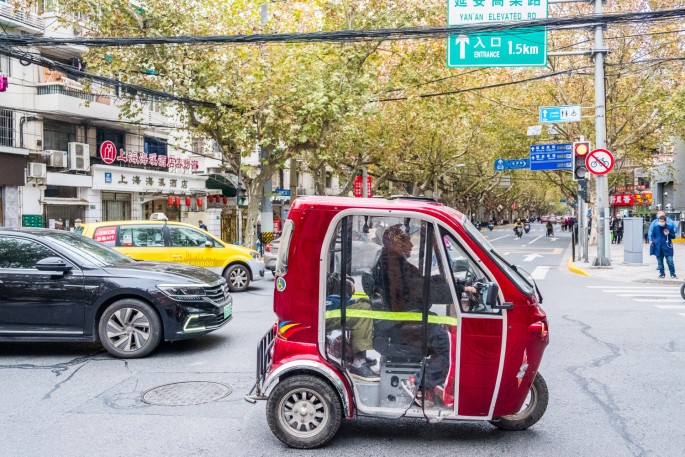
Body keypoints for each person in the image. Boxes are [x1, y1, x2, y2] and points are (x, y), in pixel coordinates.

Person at [373, 224, 476, 405]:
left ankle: (427, 385)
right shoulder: (395, 266)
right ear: (396, 244)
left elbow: (420, 283)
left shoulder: (392, 261)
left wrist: (451, 282)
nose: (411, 246)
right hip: (405, 323)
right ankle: (419, 382)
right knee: (446, 343)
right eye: (406, 241)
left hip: (405, 318)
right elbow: (423, 290)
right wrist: (459, 289)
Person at [325, 273, 379, 382]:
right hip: (320, 313)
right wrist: (345, 284)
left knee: (365, 303)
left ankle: (358, 355)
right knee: (364, 310)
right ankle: (358, 362)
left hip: (323, 309)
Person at [650, 214, 677, 279]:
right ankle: (662, 274)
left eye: (662, 221)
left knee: (670, 261)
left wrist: (669, 233)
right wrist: (655, 241)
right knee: (660, 262)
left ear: (665, 221)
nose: (660, 222)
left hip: (667, 247)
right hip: (658, 247)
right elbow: (652, 236)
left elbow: (673, 236)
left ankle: (673, 274)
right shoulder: (656, 227)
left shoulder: (669, 227)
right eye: (659, 221)